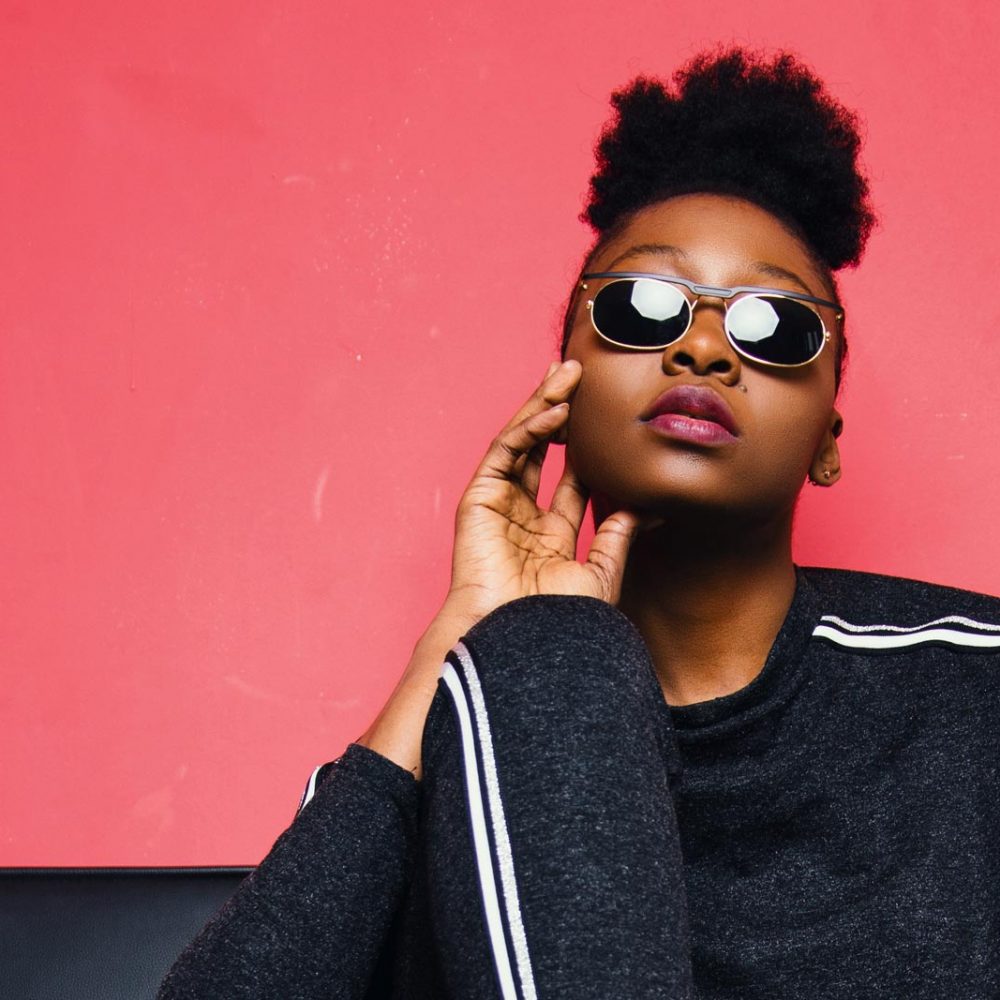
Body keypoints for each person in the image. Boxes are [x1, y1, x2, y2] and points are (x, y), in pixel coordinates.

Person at [157, 47, 1000, 999]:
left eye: (775, 325)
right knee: (551, 650)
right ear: (561, 385)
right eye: (643, 307)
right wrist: (466, 642)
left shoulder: (973, 685)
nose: (703, 348)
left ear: (827, 439)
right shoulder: (477, 716)